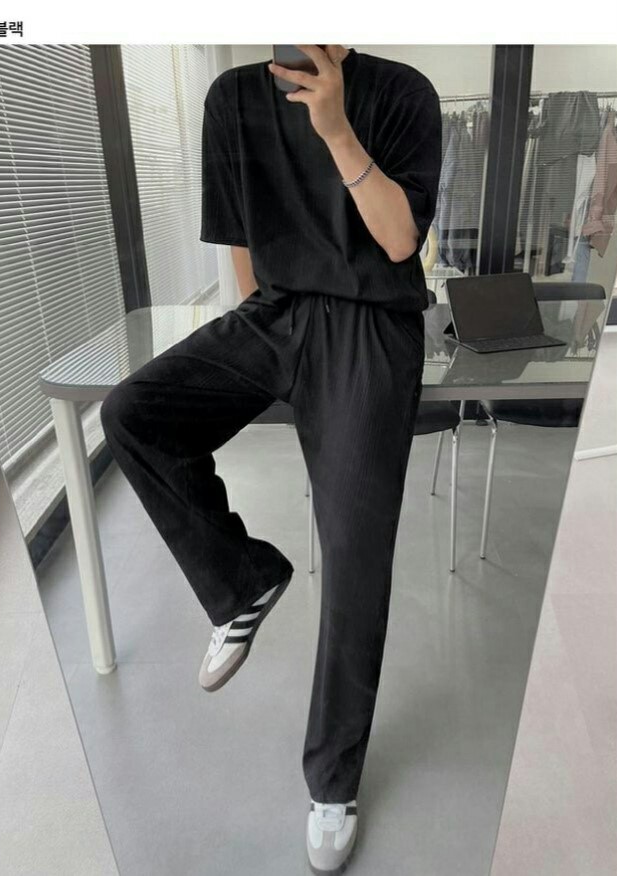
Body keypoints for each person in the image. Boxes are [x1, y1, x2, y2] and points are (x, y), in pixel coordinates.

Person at [100, 44, 441, 875]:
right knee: (133, 413)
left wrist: (336, 129)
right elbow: (244, 245)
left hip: (372, 322)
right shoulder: (231, 99)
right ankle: (242, 581)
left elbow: (400, 242)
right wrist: (260, 349)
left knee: (354, 555)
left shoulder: (403, 93)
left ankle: (333, 783)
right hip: (277, 313)